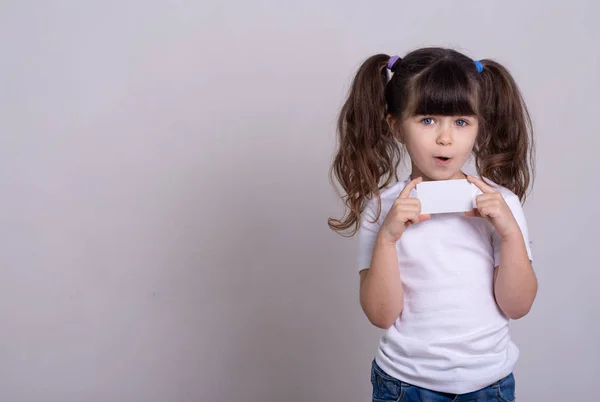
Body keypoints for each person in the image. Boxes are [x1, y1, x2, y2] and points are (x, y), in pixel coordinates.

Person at [328, 47, 538, 401]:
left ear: (478, 126)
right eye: (427, 120)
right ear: (396, 127)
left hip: (489, 384)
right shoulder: (381, 209)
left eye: (461, 122)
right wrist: (387, 240)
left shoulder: (502, 205)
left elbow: (517, 306)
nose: (445, 138)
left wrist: (509, 231)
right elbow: (381, 315)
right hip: (405, 384)